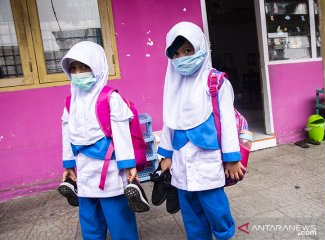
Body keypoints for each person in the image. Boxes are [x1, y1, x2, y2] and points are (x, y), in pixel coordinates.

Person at [157, 22, 245, 240]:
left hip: (208, 159)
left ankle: (225, 235)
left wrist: (232, 158)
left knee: (215, 207)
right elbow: (169, 121)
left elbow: (226, 121)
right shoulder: (172, 85)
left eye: (188, 50)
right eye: (175, 54)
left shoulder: (216, 82)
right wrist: (165, 154)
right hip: (180, 160)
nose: (182, 58)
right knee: (190, 211)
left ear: (201, 48)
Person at [59, 41, 148, 239]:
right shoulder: (70, 101)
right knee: (89, 220)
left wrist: (128, 165)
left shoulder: (110, 98)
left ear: (97, 67)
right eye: (73, 68)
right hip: (83, 170)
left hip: (110, 171)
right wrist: (68, 164)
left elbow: (121, 133)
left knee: (119, 218)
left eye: (84, 67)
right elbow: (67, 133)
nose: (78, 73)